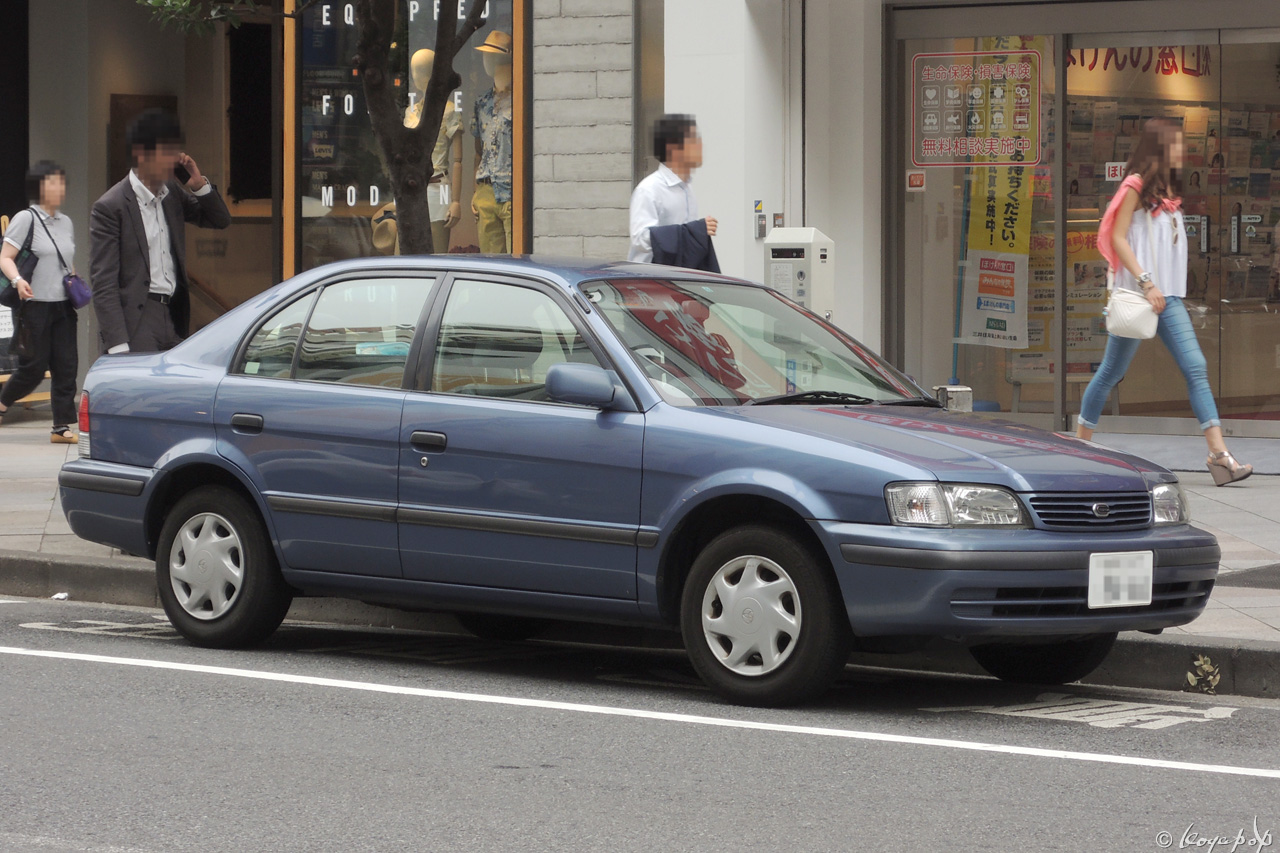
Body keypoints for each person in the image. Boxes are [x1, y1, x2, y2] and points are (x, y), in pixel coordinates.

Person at [1077, 118, 1252, 486]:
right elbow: (1118, 238)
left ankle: (1219, 456)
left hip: (1168, 298)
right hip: (1141, 296)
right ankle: (1080, 448)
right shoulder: (1134, 187)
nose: (1181, 151)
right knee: (1111, 372)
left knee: (1195, 367)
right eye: (1175, 145)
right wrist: (1145, 282)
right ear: (1158, 147)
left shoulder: (1168, 192)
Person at [89, 109, 231, 354]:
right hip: (138, 320)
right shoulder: (111, 206)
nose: (172, 160)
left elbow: (219, 220)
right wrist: (117, 344)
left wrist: (199, 186)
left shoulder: (172, 195)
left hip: (174, 314)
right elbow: (103, 282)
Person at [0, 161, 80, 442]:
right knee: (33, 367)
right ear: (38, 187)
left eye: (61, 182)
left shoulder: (66, 222)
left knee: (66, 366)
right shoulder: (26, 218)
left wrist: (73, 278)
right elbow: (5, 257)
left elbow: (65, 260)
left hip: (63, 305)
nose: (60, 188)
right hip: (33, 306)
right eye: (53, 182)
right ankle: (2, 402)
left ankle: (61, 427)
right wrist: (17, 281)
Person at [628, 114, 718, 265]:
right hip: (649, 279)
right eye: (693, 141)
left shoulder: (688, 189)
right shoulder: (649, 189)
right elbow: (639, 238)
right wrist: (694, 230)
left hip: (677, 278)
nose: (700, 146)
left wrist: (696, 232)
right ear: (673, 149)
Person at [470, 31, 514, 254]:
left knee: (518, 264)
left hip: (513, 192)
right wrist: (475, 192)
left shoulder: (521, 101)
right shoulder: (482, 103)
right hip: (486, 191)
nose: (486, 61)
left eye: (491, 56)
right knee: (491, 267)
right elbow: (479, 151)